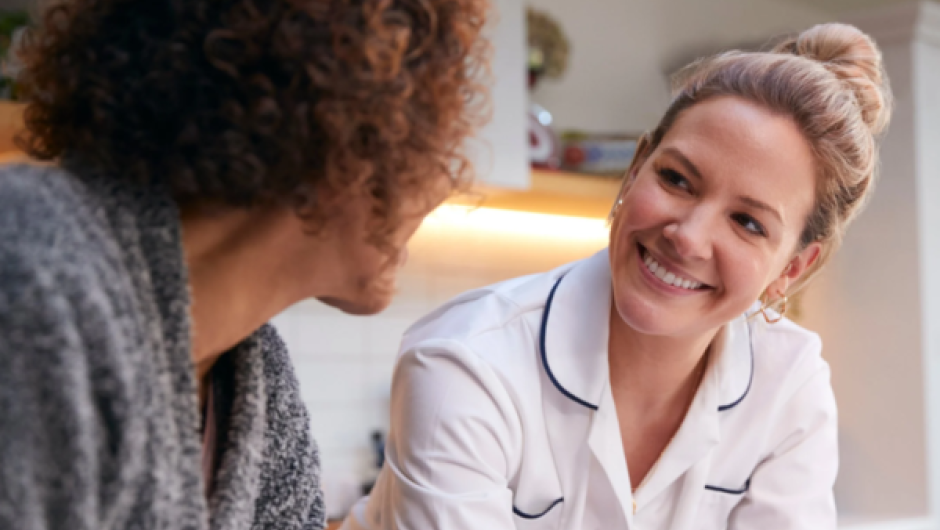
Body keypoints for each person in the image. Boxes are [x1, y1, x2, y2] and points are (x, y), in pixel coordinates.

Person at [341, 22, 891, 530]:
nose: (689, 237)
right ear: (636, 169)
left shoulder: (789, 384)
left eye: (747, 222)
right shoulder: (468, 361)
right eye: (677, 179)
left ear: (792, 268)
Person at [0, 0, 490, 528]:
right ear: (348, 134)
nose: (439, 187)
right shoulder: (29, 271)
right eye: (427, 134)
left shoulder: (258, 387)